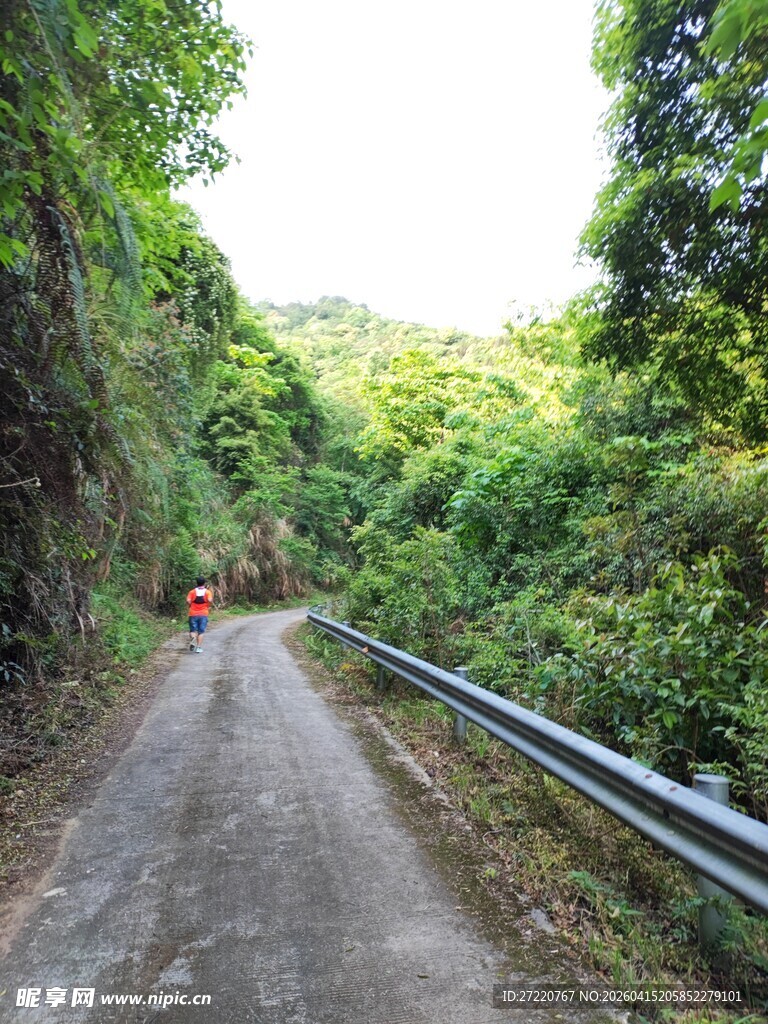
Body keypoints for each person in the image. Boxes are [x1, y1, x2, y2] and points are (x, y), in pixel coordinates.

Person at [186, 576, 214, 653]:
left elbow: (188, 601)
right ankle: (198, 647)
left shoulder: (192, 592)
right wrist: (209, 604)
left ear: (197, 583)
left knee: (192, 630)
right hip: (203, 614)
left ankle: (193, 638)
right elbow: (210, 600)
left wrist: (190, 605)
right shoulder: (207, 592)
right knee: (201, 631)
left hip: (193, 614)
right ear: (204, 583)